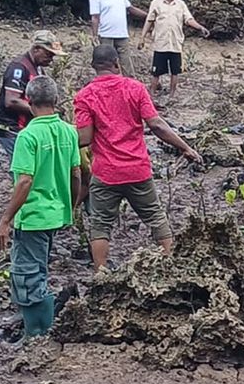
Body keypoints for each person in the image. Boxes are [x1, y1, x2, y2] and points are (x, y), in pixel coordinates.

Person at [74, 46, 201, 270]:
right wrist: (185, 148)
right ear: (116, 64)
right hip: (137, 169)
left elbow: (84, 138)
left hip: (105, 174)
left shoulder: (85, 96)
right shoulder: (135, 88)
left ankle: (100, 274)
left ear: (94, 67)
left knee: (101, 225)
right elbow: (157, 125)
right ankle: (171, 264)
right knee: (155, 217)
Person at [0, 76, 80, 339]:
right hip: (55, 213)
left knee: (27, 276)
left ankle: (38, 334)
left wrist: (5, 220)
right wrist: (70, 207)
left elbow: (25, 181)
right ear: (55, 100)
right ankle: (39, 328)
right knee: (38, 269)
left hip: (33, 216)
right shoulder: (68, 131)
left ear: (29, 101)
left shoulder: (27, 136)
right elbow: (76, 174)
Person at [0, 31, 67, 157]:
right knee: (22, 167)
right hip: (11, 128)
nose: (50, 59)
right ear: (37, 49)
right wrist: (43, 112)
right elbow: (11, 101)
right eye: (48, 54)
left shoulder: (37, 67)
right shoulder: (19, 67)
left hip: (25, 128)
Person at [138, 0, 209, 98]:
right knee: (156, 71)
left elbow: (188, 19)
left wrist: (200, 27)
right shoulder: (156, 3)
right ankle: (151, 94)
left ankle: (172, 94)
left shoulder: (181, 4)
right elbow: (149, 21)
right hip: (161, 42)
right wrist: (142, 37)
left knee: (175, 71)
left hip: (175, 42)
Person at [89, 0, 147, 76]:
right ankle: (110, 82)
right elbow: (95, 18)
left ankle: (130, 81)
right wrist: (95, 35)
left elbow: (131, 9)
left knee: (126, 61)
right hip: (106, 35)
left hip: (121, 34)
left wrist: (147, 16)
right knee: (107, 62)